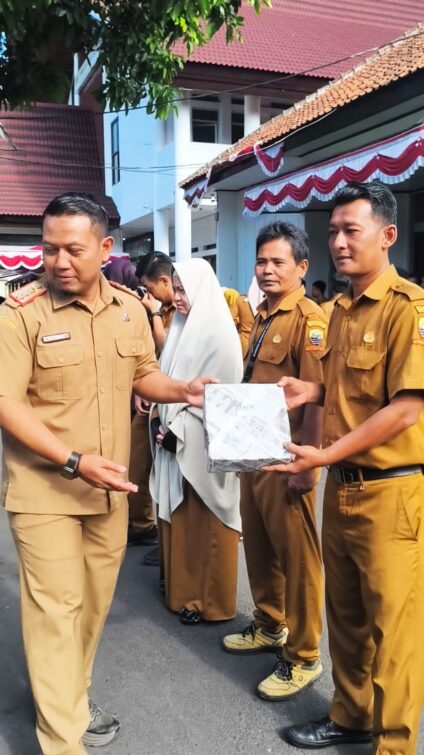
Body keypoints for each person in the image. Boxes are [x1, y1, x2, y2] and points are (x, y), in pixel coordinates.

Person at [0, 193, 211, 755]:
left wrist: (184, 390)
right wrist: (73, 461)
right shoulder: (21, 314)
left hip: (110, 491)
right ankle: (62, 739)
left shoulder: (128, 309)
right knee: (55, 612)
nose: (59, 261)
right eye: (49, 249)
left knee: (90, 609)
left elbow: (142, 373)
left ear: (105, 248)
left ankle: (72, 698)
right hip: (45, 491)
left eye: (73, 249)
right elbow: (6, 402)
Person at [264, 182, 424, 753]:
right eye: (332, 231)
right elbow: (347, 389)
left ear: (388, 235)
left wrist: (327, 454)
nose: (337, 242)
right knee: (347, 616)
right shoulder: (338, 311)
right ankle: (351, 716)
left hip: (390, 493)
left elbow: (406, 409)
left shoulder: (409, 308)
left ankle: (395, 745)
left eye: (351, 230)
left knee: (394, 630)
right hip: (343, 490)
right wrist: (310, 390)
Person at [223, 222, 325, 702]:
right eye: (261, 261)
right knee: (260, 546)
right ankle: (269, 623)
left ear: (301, 267)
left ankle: (303, 654)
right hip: (253, 453)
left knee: (298, 559)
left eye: (277, 262)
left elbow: (319, 398)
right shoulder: (262, 313)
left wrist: (309, 464)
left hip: (288, 457)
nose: (266, 269)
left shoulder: (309, 319)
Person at [150, 258, 243, 625]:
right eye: (175, 289)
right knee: (183, 521)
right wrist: (160, 419)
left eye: (183, 290)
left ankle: (211, 602)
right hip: (174, 438)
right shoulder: (180, 329)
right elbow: (167, 382)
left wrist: (179, 432)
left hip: (203, 447)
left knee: (207, 522)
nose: (177, 297)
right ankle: (183, 593)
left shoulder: (219, 336)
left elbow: (223, 399)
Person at [126, 253, 176, 553]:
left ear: (164, 281)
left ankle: (165, 539)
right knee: (137, 462)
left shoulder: (181, 307)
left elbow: (166, 348)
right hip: (152, 397)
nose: (148, 293)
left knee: (169, 472)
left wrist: (155, 314)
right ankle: (142, 524)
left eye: (149, 287)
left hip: (177, 400)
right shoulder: (160, 307)